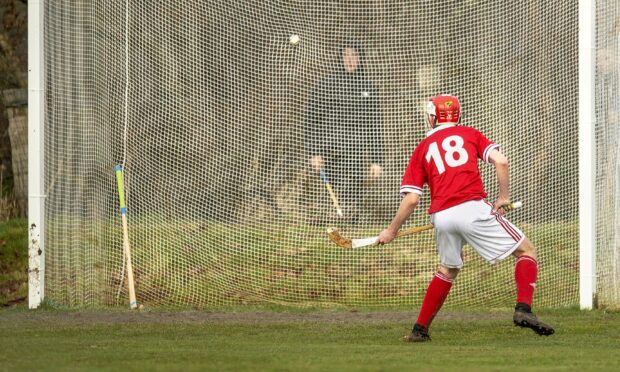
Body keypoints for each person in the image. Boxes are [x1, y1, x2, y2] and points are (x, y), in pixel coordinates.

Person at [377, 94, 554, 342]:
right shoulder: (470, 134)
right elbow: (501, 161)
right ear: (457, 116)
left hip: (442, 216)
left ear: (431, 118)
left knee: (447, 269)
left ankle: (420, 330)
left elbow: (412, 199)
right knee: (527, 252)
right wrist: (503, 198)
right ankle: (523, 309)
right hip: (473, 209)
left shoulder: (422, 148)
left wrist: (391, 230)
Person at [304, 41, 384, 222]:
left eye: (354, 55)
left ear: (360, 59)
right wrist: (313, 152)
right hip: (329, 151)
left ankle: (351, 230)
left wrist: (377, 161)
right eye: (346, 55)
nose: (350, 59)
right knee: (333, 197)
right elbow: (310, 120)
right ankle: (332, 230)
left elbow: (375, 126)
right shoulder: (326, 85)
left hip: (356, 153)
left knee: (353, 199)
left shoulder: (368, 87)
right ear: (340, 58)